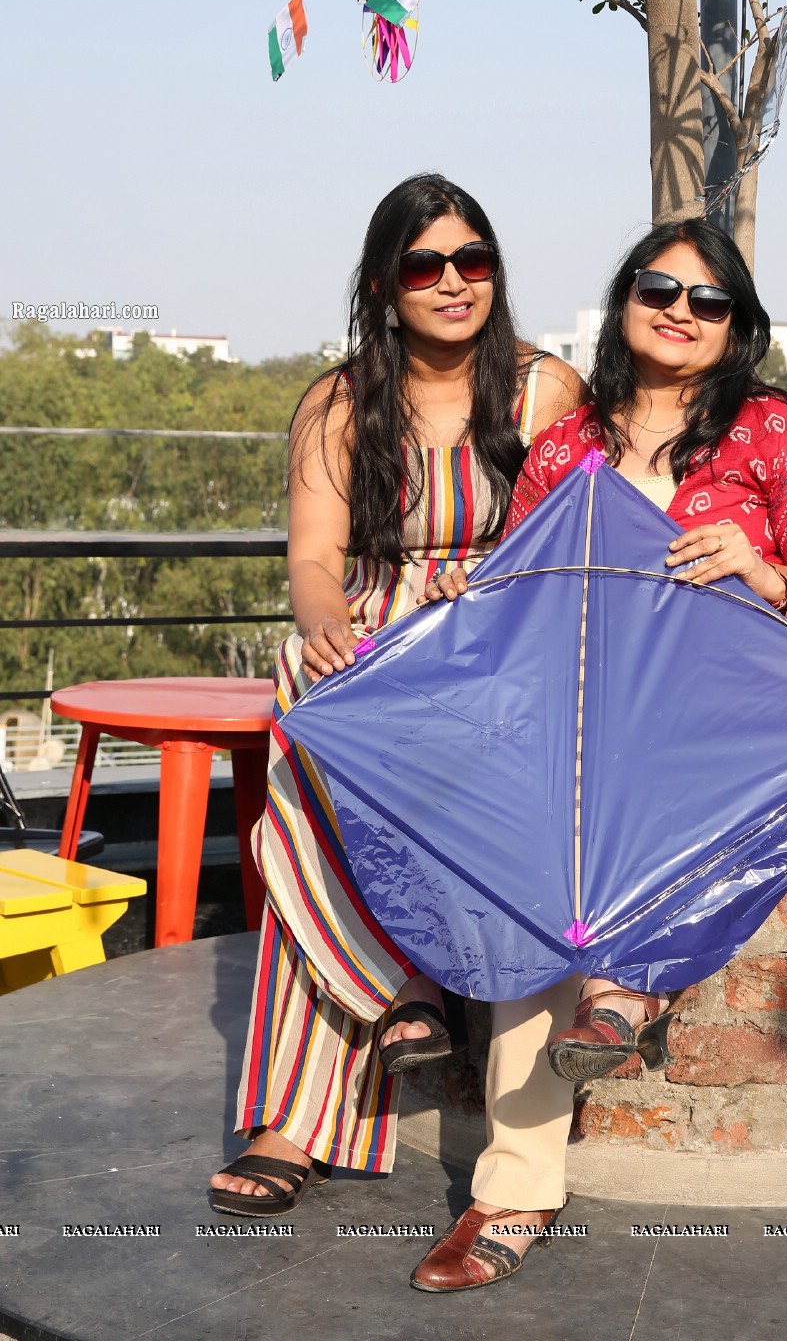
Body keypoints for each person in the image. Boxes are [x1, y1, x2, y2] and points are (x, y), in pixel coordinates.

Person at [407, 216, 787, 1292]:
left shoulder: (766, 433)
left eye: (707, 301)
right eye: (658, 288)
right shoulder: (568, 445)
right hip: (584, 728)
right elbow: (516, 589)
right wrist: (463, 592)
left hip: (727, 732)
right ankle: (514, 1192)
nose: (680, 310)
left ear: (736, 325)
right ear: (624, 299)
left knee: (612, 824)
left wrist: (763, 571)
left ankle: (626, 983)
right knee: (531, 889)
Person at [208, 173, 584, 1221]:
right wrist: (327, 622)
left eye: (474, 260)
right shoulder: (338, 403)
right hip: (378, 629)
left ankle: (368, 1016)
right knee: (308, 696)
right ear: (385, 284)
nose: (454, 282)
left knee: (331, 795)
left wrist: (498, 594)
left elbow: (571, 533)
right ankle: (396, 994)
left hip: (498, 633)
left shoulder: (542, 388)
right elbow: (317, 559)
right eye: (427, 266)